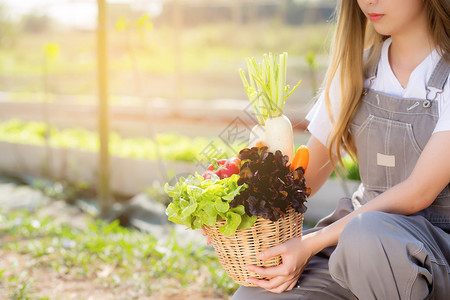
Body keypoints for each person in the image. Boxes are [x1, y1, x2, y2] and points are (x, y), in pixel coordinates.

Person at [231, 0, 450, 299]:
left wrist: (310, 244)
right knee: (255, 295)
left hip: (435, 249)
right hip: (356, 244)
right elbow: (303, 181)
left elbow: (418, 192)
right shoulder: (355, 70)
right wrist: (234, 210)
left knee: (367, 236)